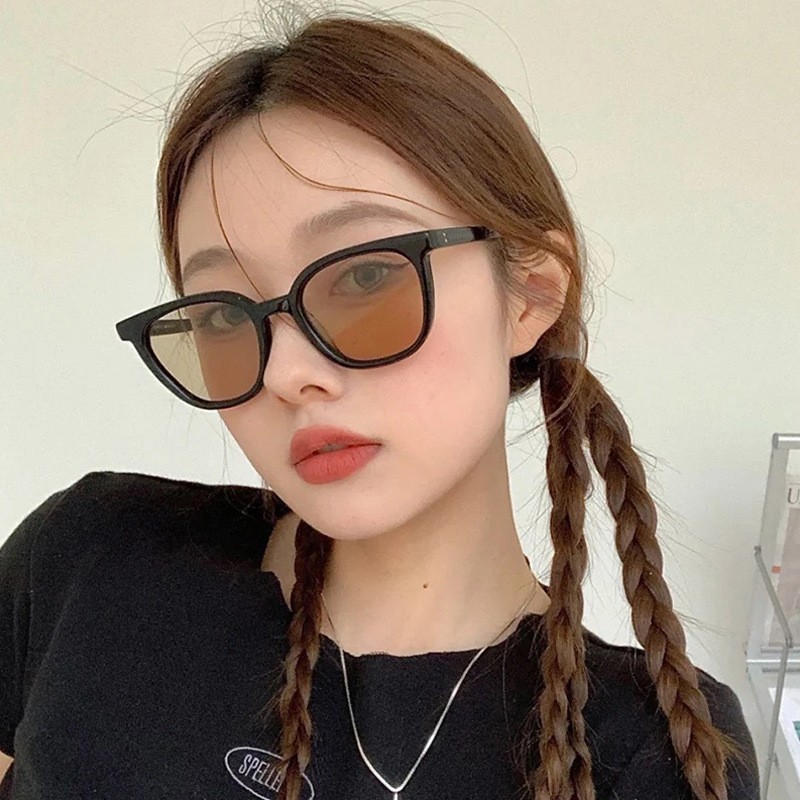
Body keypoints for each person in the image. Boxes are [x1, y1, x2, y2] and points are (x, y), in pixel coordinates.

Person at [0, 6, 760, 800]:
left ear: (531, 292)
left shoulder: (661, 749)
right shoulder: (89, 563)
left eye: (365, 277)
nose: (286, 372)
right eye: (224, 315)